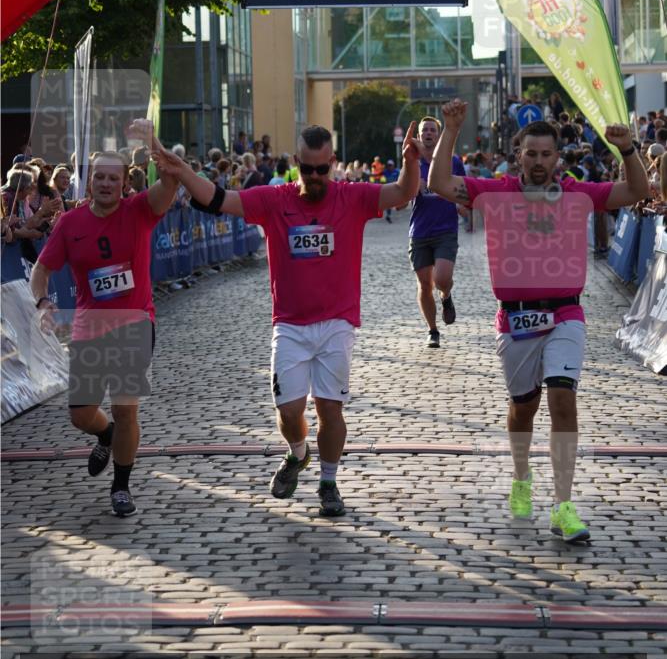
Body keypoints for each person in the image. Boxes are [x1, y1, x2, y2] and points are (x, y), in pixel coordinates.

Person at [152, 122, 420, 517]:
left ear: (332, 163)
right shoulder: (275, 200)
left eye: (321, 169)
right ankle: (298, 453)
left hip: (337, 323)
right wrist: (183, 173)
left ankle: (329, 483)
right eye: (307, 169)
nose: (314, 177)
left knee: (331, 410)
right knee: (289, 411)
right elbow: (219, 198)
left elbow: (403, 192)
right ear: (296, 163)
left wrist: (411, 162)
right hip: (290, 326)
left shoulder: (352, 197)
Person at [428, 102, 650, 543]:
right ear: (519, 156)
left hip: (567, 311)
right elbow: (437, 183)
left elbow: (636, 192)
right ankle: (521, 476)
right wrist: (451, 130)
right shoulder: (494, 192)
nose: (538, 161)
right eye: (531, 154)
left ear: (558, 158)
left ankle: (563, 505)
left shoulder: (579, 194)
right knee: (523, 407)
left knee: (563, 401)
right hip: (515, 321)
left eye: (546, 154)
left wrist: (628, 150)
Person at [30, 125, 180, 518]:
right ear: (89, 180)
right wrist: (43, 301)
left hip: (135, 321)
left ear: (125, 182)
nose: (106, 184)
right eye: (99, 177)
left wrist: (153, 144)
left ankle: (121, 486)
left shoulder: (141, 210)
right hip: (89, 325)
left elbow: (170, 180)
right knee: (81, 414)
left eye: (114, 178)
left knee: (126, 407)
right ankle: (106, 434)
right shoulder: (70, 223)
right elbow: (40, 271)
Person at [409, 115, 466, 349]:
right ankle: (432, 330)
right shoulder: (411, 162)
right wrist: (414, 188)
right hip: (420, 230)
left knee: (441, 278)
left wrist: (464, 206)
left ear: (439, 135)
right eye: (425, 131)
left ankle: (446, 295)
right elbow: (401, 197)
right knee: (424, 285)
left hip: (446, 229)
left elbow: (464, 189)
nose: (429, 134)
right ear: (420, 136)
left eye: (433, 130)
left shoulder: (453, 162)